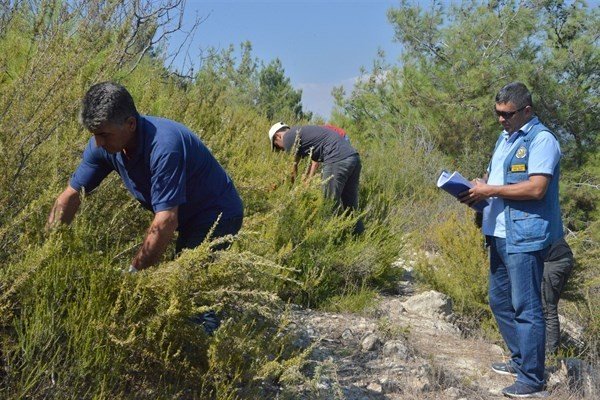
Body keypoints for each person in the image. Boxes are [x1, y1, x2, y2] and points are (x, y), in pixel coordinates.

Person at [47, 82, 244, 272]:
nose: (98, 142)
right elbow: (71, 195)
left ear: (130, 124)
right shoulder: (102, 145)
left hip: (217, 213)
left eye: (104, 135)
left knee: (188, 284)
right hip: (185, 214)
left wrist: (132, 276)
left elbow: (166, 220)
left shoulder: (164, 147)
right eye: (94, 134)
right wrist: (45, 248)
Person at [460, 82, 563, 398]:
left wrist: (490, 190)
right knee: (499, 301)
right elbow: (499, 182)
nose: (501, 120)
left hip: (525, 235)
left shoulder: (542, 140)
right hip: (498, 233)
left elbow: (536, 189)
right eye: (498, 114)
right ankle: (523, 361)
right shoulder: (504, 139)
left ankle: (532, 381)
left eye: (507, 114)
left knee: (527, 307)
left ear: (527, 111)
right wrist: (479, 187)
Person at [268, 122, 364, 235]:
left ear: (278, 136)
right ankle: (358, 236)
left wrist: (284, 191)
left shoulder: (288, 137)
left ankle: (330, 240)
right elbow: (310, 162)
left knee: (327, 204)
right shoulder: (302, 131)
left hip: (337, 159)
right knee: (350, 206)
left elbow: (292, 171)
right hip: (353, 158)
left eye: (277, 146)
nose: (282, 150)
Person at [542, 238, 574, 356]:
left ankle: (550, 354)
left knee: (547, 309)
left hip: (553, 260)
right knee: (550, 307)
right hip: (564, 257)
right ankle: (550, 351)